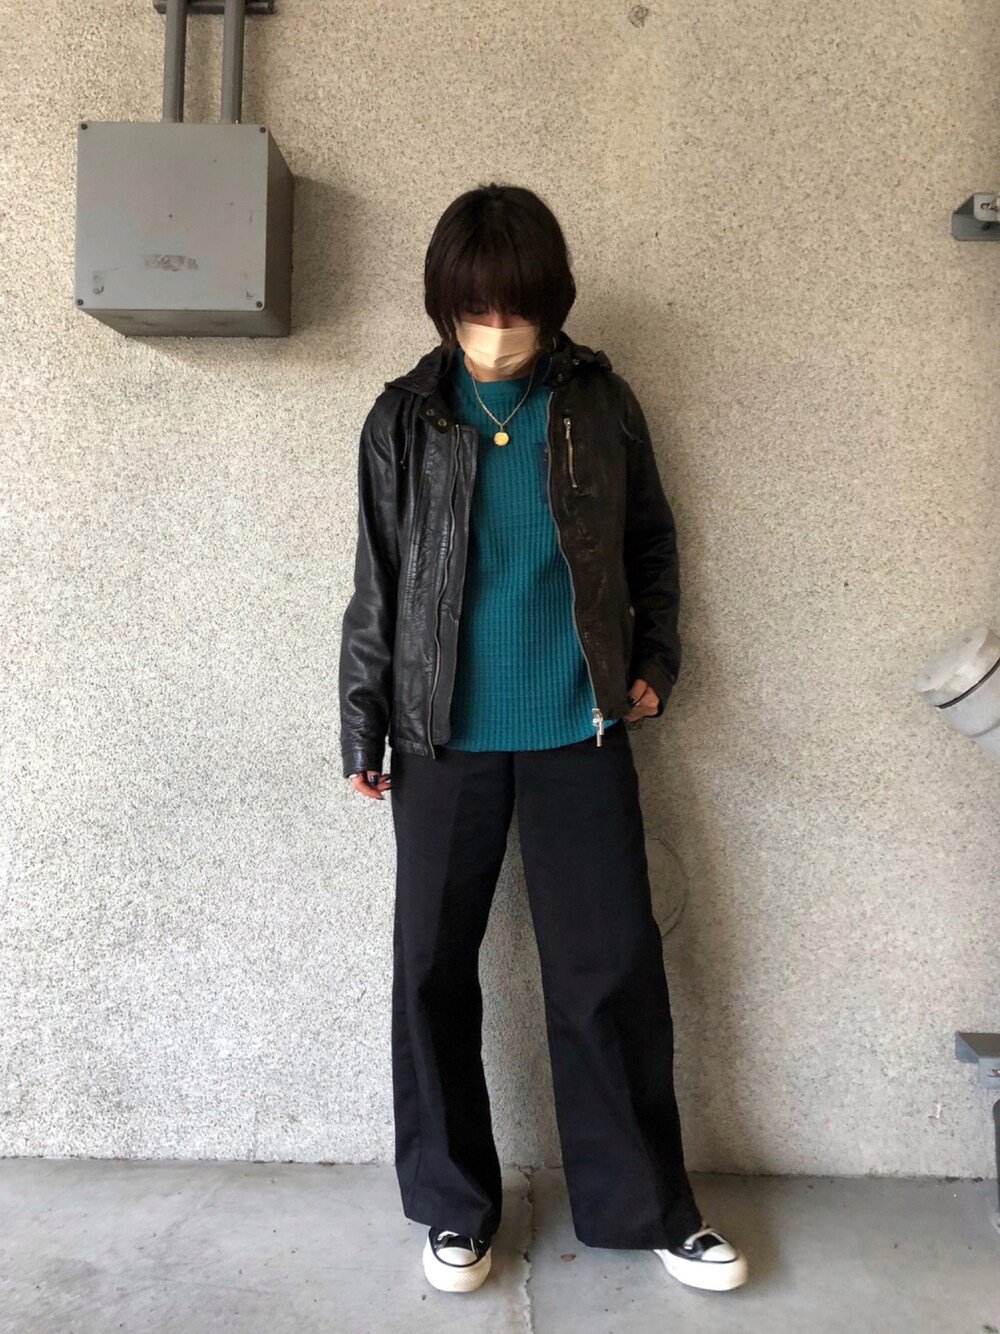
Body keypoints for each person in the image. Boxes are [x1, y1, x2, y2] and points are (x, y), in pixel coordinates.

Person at [338, 182, 748, 1296]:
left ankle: (648, 1205)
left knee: (608, 971)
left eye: (516, 310)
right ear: (443, 307)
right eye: (474, 310)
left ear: (552, 305)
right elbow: (377, 583)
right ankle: (452, 1205)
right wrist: (362, 719)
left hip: (579, 726)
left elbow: (652, 546)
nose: (496, 331)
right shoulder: (401, 419)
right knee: (431, 971)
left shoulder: (600, 402)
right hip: (440, 738)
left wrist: (655, 661)